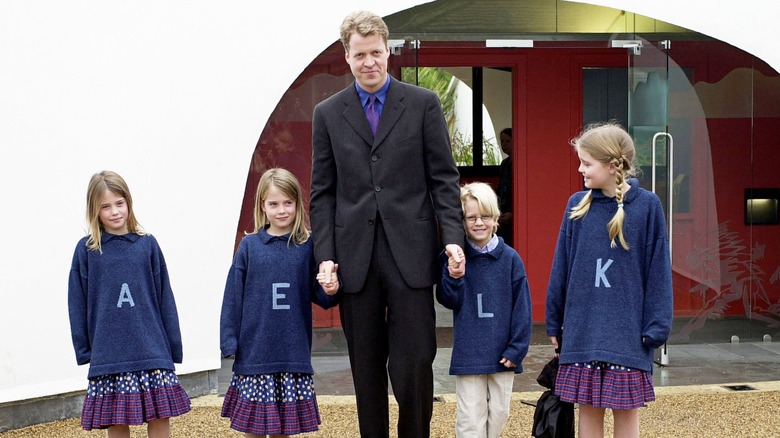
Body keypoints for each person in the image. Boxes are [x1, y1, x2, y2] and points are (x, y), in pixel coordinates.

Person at [309, 10, 466, 437]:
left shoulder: (422, 104)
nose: (369, 62)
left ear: (388, 50)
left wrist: (453, 238)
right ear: (347, 56)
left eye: (376, 52)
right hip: (354, 259)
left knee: (415, 362)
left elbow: (444, 180)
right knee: (365, 365)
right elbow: (321, 193)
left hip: (411, 254)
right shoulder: (327, 113)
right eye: (360, 55)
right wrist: (324, 256)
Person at [545, 122, 674, 438]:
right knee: (588, 409)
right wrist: (554, 322)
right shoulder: (576, 205)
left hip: (627, 331)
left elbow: (658, 271)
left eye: (587, 163)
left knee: (626, 413)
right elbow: (561, 267)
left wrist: (657, 326)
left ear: (613, 165)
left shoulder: (647, 206)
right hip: (582, 328)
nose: (580, 169)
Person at [67, 170, 190, 437]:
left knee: (159, 414)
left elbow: (164, 297)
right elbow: (76, 301)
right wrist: (85, 350)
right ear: (94, 210)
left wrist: (172, 347)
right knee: (117, 420)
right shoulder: (87, 251)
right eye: (105, 206)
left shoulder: (147, 245)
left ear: (129, 202)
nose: (114, 211)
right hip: (109, 353)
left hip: (151, 348)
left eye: (119, 203)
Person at [220, 167, 340, 437]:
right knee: (251, 426)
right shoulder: (249, 247)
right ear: (262, 206)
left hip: (291, 353)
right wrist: (229, 341)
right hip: (254, 353)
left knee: (282, 428)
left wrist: (331, 288)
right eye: (274, 204)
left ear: (298, 204)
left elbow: (320, 295)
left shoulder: (307, 246)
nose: (282, 210)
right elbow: (232, 297)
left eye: (288, 203)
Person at [437, 182, 532, 438]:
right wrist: (454, 275)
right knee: (470, 421)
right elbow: (448, 299)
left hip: (504, 354)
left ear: (496, 218)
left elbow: (522, 309)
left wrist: (517, 349)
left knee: (499, 415)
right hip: (469, 353)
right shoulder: (454, 258)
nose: (479, 223)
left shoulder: (511, 259)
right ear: (462, 221)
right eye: (471, 217)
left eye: (485, 216)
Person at [496, 127, 514, 247]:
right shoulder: (504, 164)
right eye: (502, 141)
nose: (504, 144)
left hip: (513, 214)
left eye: (507, 141)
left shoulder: (519, 163)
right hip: (502, 212)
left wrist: (513, 213)